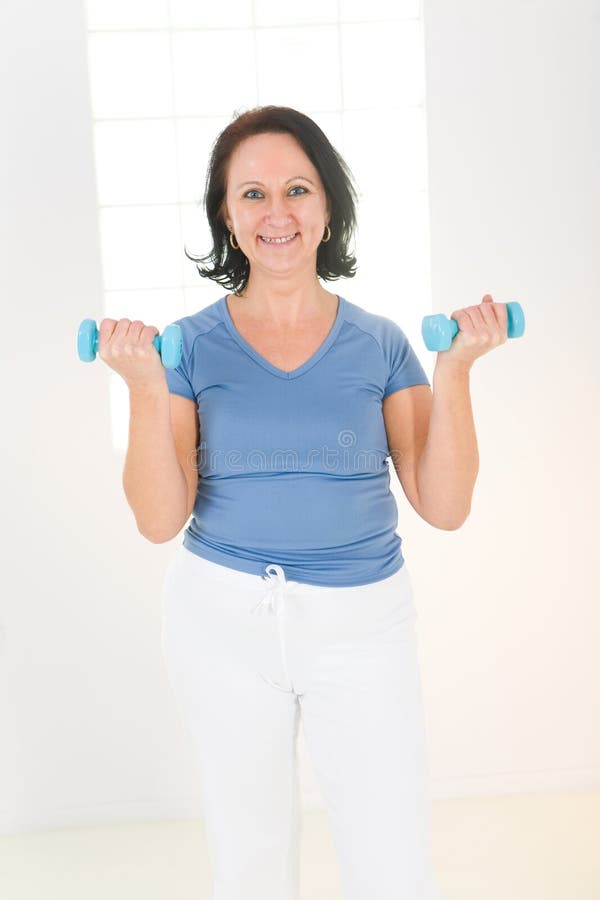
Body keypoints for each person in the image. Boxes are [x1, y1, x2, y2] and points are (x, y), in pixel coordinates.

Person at [98, 106, 509, 900]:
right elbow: (157, 520)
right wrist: (147, 389)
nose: (276, 212)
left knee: (391, 862)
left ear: (326, 208)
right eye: (252, 194)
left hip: (362, 625)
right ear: (227, 213)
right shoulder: (187, 346)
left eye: (297, 189)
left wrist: (454, 370)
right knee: (248, 863)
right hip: (220, 622)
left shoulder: (383, 343)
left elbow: (445, 504)